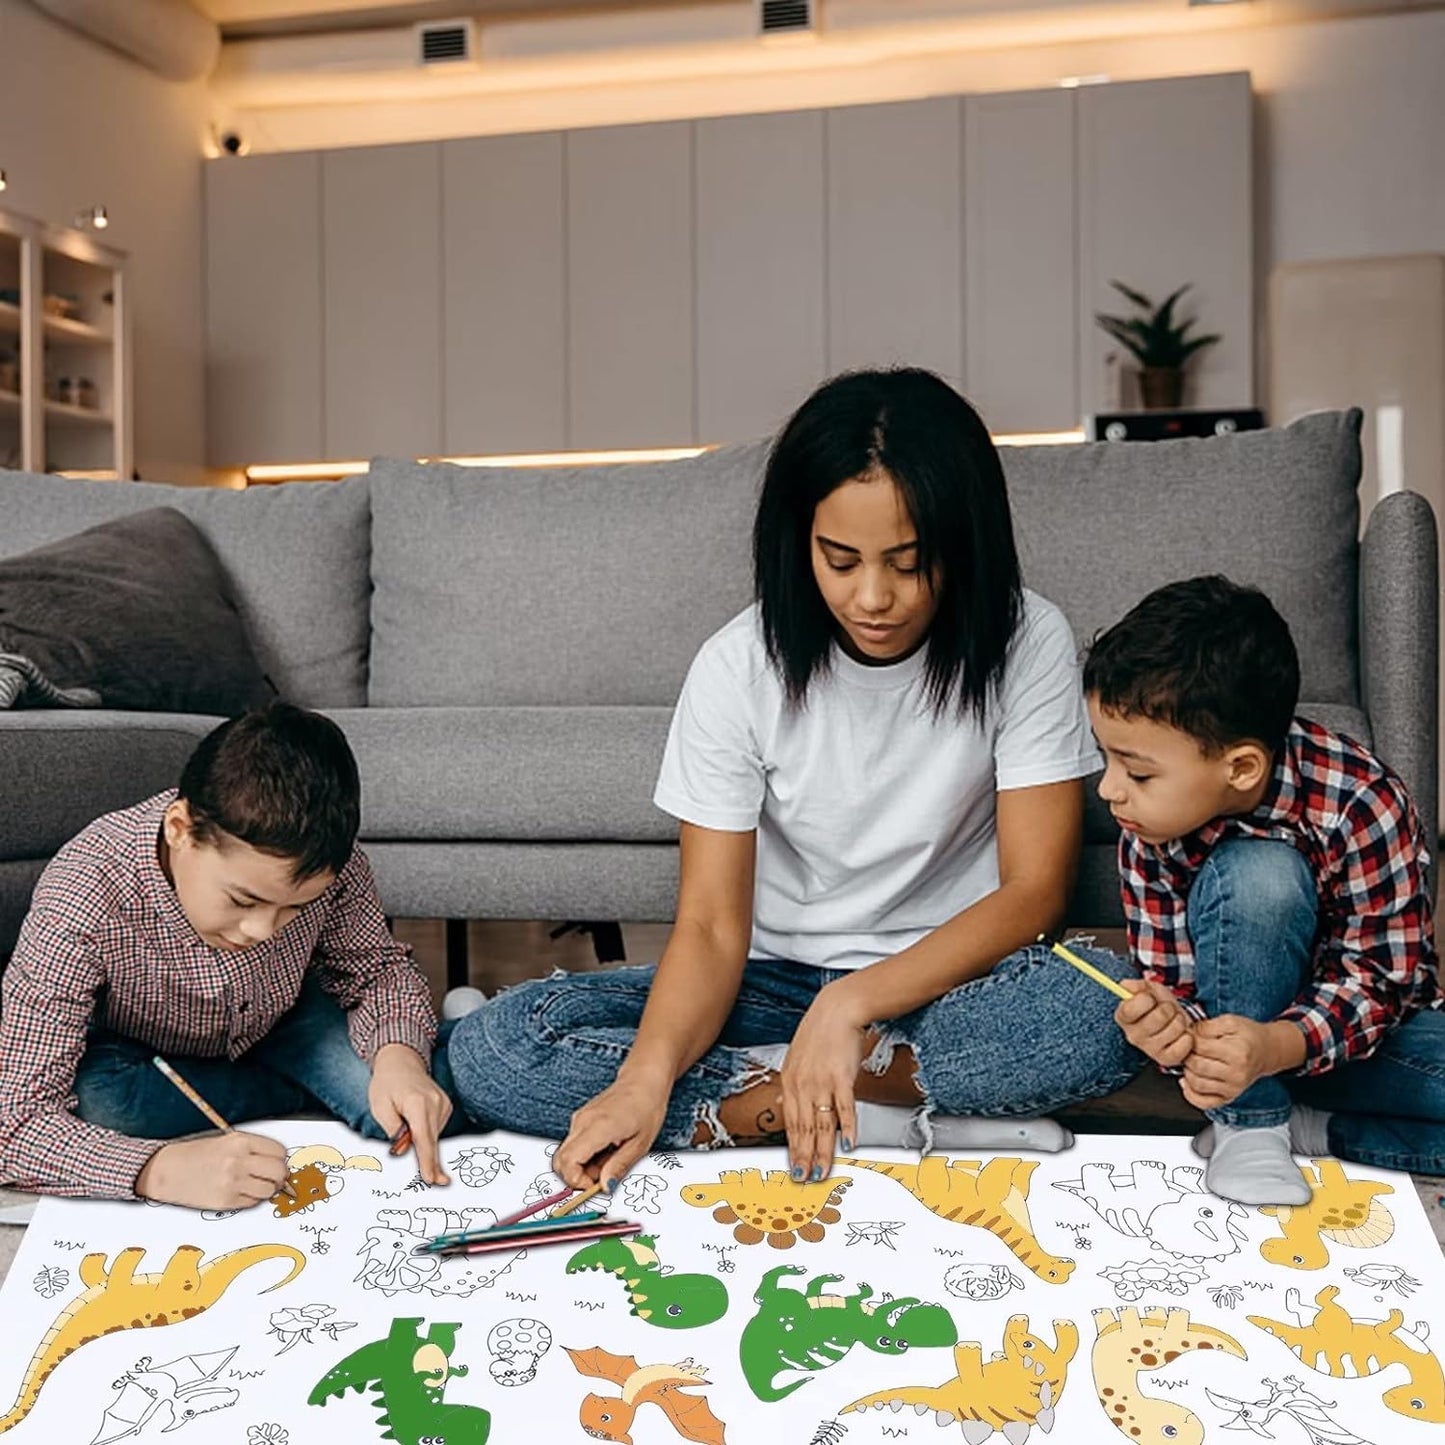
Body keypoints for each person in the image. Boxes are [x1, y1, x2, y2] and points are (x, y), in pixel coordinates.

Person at [449, 367, 1142, 1190]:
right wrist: (642, 1076)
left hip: (944, 986)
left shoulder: (1025, 641)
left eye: (908, 562)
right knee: (494, 1047)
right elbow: (708, 926)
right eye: (839, 560)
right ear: (798, 539)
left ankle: (770, 1095)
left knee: (1111, 1011)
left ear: (963, 541)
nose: (873, 597)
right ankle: (856, 1101)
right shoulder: (736, 665)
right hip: (767, 987)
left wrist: (849, 1007)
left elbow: (1033, 892)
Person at [0, 702, 473, 1209]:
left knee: (414, 1102)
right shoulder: (84, 891)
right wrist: (155, 1170)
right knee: (101, 1108)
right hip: (144, 1050)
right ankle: (312, 1088)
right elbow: (15, 1122)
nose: (261, 931)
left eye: (296, 908)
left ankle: (372, 1064)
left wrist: (399, 1058)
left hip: (288, 1017)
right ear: (180, 829)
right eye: (243, 900)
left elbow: (374, 969)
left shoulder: (334, 863)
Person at [1084, 575, 1443, 1205]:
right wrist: (1171, 1031)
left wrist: (1276, 1047)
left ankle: (1314, 1129)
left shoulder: (1362, 800)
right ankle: (1251, 1125)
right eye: (1107, 759)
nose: (1110, 789)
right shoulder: (1148, 823)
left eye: (1137, 770)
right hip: (1237, 1067)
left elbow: (1383, 983)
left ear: (1242, 767)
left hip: (1354, 1044)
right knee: (1259, 876)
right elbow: (1176, 988)